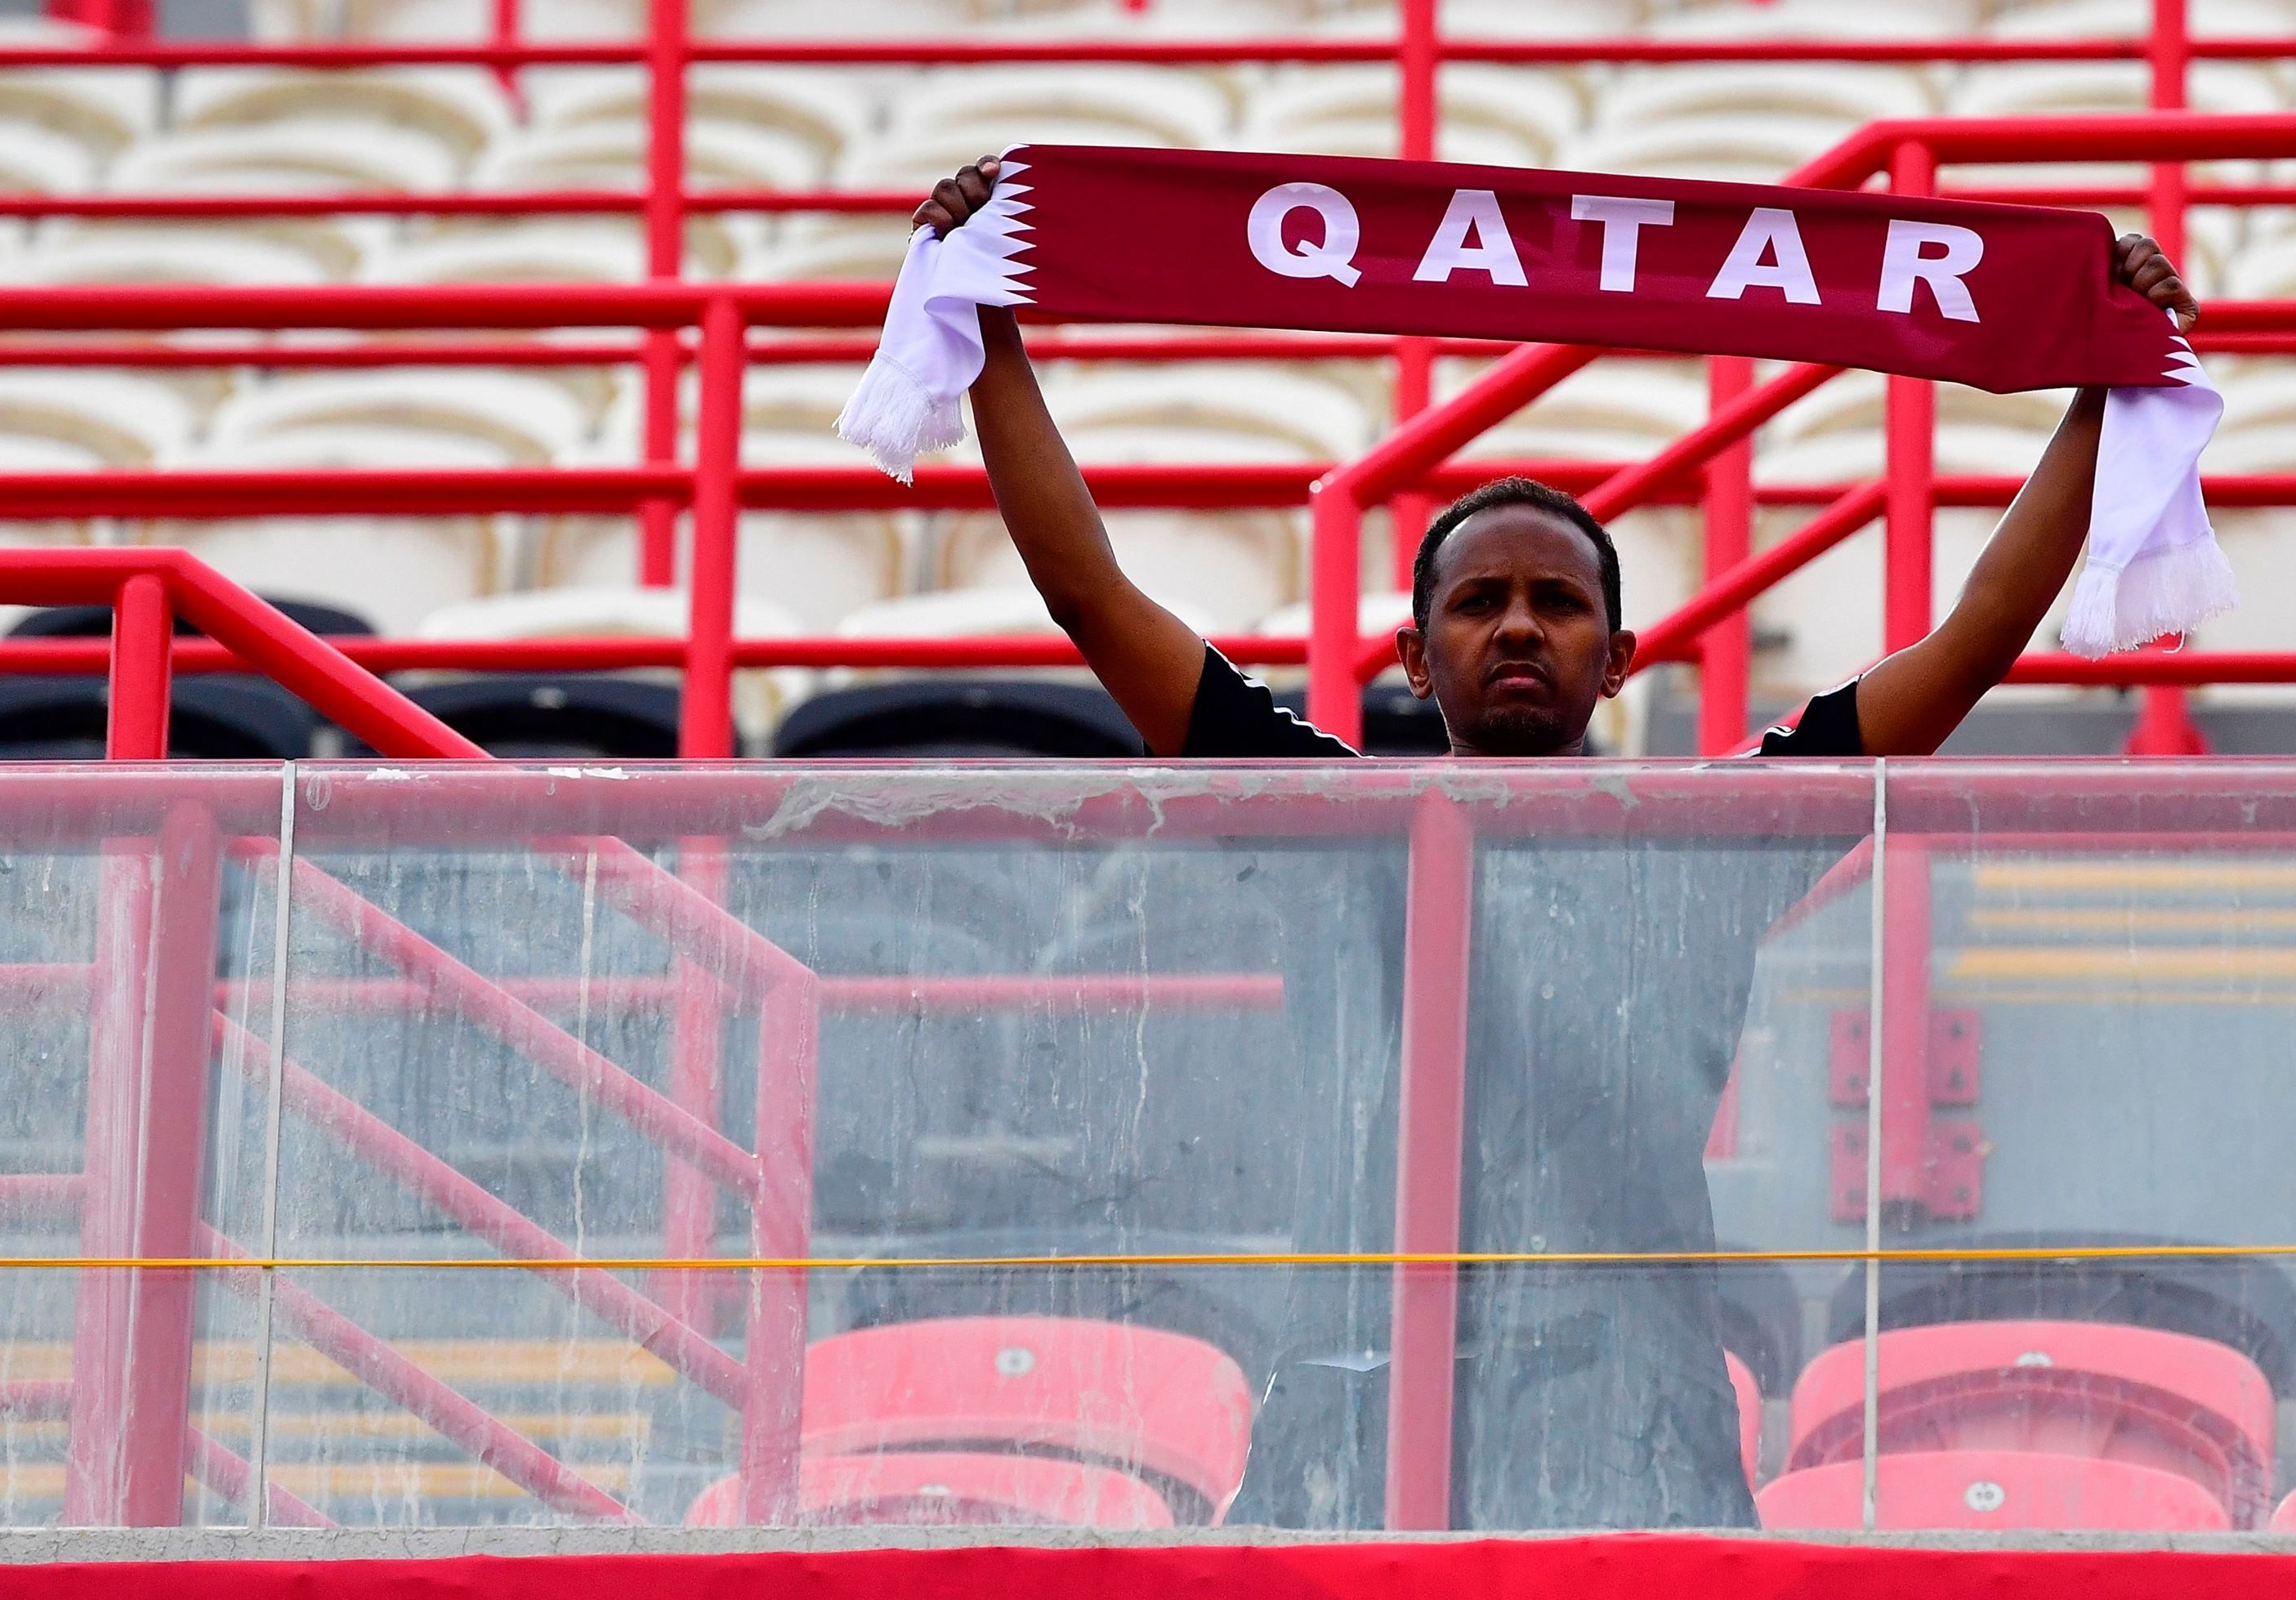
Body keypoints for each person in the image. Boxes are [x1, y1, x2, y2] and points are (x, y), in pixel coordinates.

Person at [910, 157, 2199, 1530]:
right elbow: (1087, 589)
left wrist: (2097, 390)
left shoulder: (1714, 836)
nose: (1518, 625)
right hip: (1360, 1419)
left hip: (1629, 1438)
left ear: (1621, 655)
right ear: (1412, 655)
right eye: (1477, 602)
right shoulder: (1336, 825)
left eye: (1555, 602)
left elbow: (1973, 638)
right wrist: (984, 331)